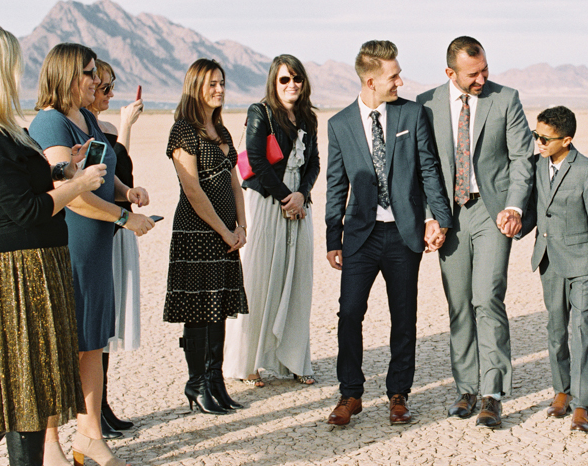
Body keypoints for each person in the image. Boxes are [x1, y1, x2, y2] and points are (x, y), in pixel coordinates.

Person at [0, 25, 106, 466]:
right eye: (12, 63)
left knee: (30, 392)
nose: (19, 72)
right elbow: (27, 211)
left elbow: (25, 190)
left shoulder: (5, 130)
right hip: (13, 274)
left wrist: (63, 168)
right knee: (18, 390)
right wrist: (81, 184)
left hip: (34, 267)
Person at [29, 43, 154, 466]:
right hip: (69, 246)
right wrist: (123, 218)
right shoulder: (51, 123)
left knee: (92, 343)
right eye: (88, 73)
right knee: (62, 345)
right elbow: (73, 193)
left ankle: (90, 434)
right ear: (65, 76)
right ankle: (49, 445)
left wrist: (126, 192)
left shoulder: (86, 117)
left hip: (97, 247)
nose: (97, 81)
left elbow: (103, 171)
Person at [325, 40, 452, 426]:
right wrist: (334, 238)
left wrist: (440, 219)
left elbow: (428, 169)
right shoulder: (340, 124)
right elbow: (335, 184)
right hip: (360, 236)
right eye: (393, 76)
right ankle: (350, 393)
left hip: (403, 234)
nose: (400, 81)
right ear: (370, 80)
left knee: (404, 316)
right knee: (349, 313)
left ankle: (399, 393)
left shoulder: (411, 115)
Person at [416, 36, 534, 428]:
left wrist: (514, 206)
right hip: (448, 214)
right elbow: (420, 166)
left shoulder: (506, 99)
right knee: (460, 304)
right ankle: (466, 387)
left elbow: (521, 159)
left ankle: (492, 392)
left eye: (485, 69)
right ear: (450, 73)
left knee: (487, 297)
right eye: (473, 74)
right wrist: (430, 217)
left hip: (491, 211)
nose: (482, 78)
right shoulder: (425, 104)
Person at [513, 106, 588, 433]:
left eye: (545, 138)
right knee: (555, 329)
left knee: (581, 331)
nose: (538, 142)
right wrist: (515, 226)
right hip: (548, 260)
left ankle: (582, 403)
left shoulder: (586, 170)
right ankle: (561, 391)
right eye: (535, 135)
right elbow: (534, 212)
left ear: (566, 140)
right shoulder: (537, 166)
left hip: (582, 263)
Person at [224, 55, 320, 386]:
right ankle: (248, 362)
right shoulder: (260, 113)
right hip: (267, 203)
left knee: (297, 281)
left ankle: (293, 360)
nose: (291, 84)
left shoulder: (308, 117)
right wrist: (286, 197)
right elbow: (257, 162)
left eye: (297, 79)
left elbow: (315, 164)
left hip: (299, 207)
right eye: (284, 79)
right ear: (273, 82)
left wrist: (301, 195)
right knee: (259, 278)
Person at [165, 59, 248, 415]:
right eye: (211, 84)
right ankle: (196, 384)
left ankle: (216, 382)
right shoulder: (183, 131)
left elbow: (234, 183)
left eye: (222, 83)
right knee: (199, 309)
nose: (219, 89)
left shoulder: (223, 131)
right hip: (198, 231)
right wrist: (224, 229)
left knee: (219, 309)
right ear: (195, 87)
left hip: (227, 233)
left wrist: (241, 227)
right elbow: (193, 191)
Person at [87, 59, 144, 438]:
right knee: (94, 327)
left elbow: (120, 171)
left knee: (106, 326)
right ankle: (93, 411)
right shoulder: (90, 131)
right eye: (103, 87)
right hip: (101, 227)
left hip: (117, 225)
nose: (107, 93)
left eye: (110, 87)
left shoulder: (102, 129)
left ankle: (102, 405)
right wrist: (124, 126)